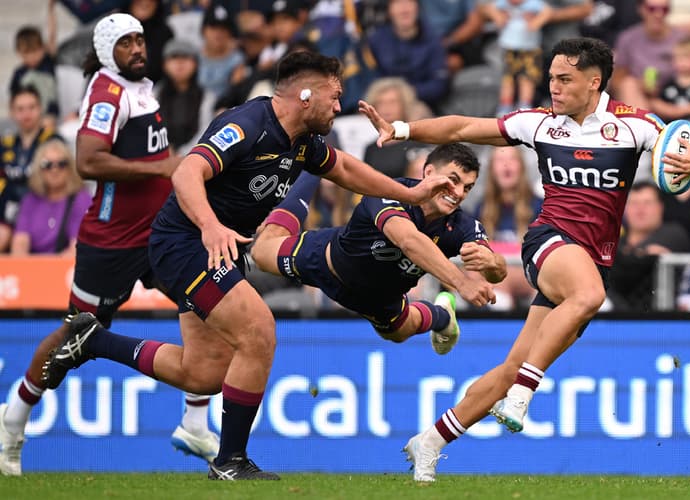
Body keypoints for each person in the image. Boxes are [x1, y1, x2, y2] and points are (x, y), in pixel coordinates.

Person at [41, 49, 453, 481]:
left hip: (209, 249)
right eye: (334, 96)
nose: (339, 106)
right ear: (306, 95)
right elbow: (185, 174)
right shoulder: (247, 125)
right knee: (259, 330)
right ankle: (230, 461)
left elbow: (346, 169)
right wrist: (210, 226)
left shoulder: (303, 143)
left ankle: (91, 341)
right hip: (186, 244)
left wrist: (411, 194)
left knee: (202, 374)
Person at [358, 36, 690, 482]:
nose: (554, 87)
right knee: (587, 297)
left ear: (594, 81)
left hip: (594, 257)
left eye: (564, 79)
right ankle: (524, 394)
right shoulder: (540, 124)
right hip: (548, 241)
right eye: (550, 77)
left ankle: (429, 442)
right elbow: (460, 129)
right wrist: (402, 129)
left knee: (513, 365)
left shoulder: (635, 125)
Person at [0, 13, 218, 478]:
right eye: (126, 43)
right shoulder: (107, 93)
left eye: (140, 40)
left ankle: (196, 422)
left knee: (208, 303)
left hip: (160, 232)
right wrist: (159, 169)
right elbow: (88, 159)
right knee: (75, 337)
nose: (138, 48)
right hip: (112, 241)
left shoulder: (139, 85)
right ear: (106, 51)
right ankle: (13, 418)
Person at [251, 143, 503, 353]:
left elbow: (497, 272)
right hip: (326, 263)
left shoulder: (463, 225)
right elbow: (408, 240)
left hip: (382, 300)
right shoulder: (387, 192)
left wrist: (491, 263)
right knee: (261, 252)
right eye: (453, 180)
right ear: (427, 173)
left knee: (400, 334)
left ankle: (443, 316)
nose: (458, 193)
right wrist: (461, 282)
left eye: (467, 187)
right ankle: (311, 163)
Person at [608, 181, 690, 312]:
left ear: (660, 207)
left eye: (647, 203)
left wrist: (625, 257)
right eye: (633, 203)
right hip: (616, 319)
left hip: (662, 317)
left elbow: (626, 263)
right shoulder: (616, 240)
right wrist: (642, 255)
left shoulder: (673, 233)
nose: (640, 209)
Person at [474, 146, 542, 310]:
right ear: (491, 169)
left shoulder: (540, 207)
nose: (506, 165)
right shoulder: (481, 209)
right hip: (496, 282)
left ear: (522, 167)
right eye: (500, 160)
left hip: (531, 281)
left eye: (512, 159)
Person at [0, 85, 63, 250]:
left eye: (31, 107)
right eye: (20, 109)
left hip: (44, 211)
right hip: (7, 213)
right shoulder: (5, 145)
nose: (26, 114)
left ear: (40, 108)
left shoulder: (53, 141)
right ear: (12, 112)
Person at [10, 139, 92, 255]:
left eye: (61, 164)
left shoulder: (82, 200)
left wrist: (49, 269)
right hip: (31, 268)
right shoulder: (30, 200)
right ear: (39, 170)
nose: (54, 170)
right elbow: (19, 245)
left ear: (71, 168)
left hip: (66, 268)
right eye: (47, 165)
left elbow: (77, 248)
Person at [481, 0, 551, 115]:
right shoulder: (503, 3)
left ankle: (525, 105)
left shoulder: (533, 4)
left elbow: (547, 12)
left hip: (530, 49)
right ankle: (505, 105)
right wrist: (498, 17)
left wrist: (536, 22)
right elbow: (488, 8)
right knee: (507, 79)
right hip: (509, 48)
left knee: (527, 79)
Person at [648, 38, 690, 122]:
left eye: (686, 57)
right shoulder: (669, 84)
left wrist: (678, 111)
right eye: (677, 58)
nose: (681, 62)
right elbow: (658, 103)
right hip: (671, 126)